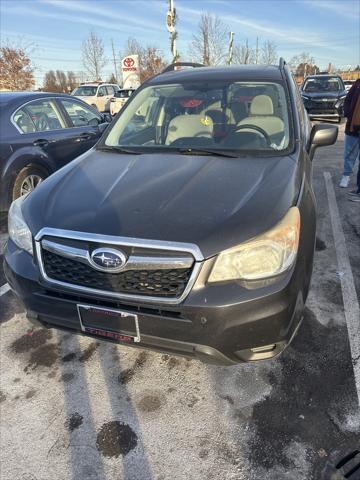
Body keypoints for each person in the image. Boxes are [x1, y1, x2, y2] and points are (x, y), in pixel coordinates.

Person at [339, 79, 360, 198]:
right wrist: (347, 113)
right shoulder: (357, 83)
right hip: (353, 126)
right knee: (349, 152)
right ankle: (346, 176)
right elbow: (347, 100)